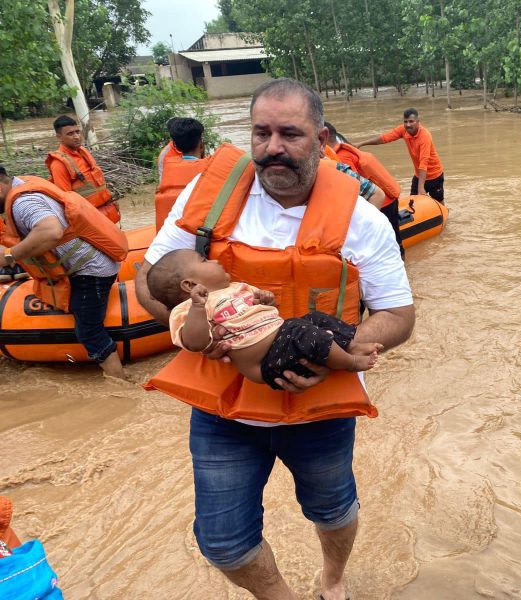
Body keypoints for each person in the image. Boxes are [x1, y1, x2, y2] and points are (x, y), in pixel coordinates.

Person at [134, 78, 414, 600]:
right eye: (261, 133)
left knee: (333, 511)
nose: (273, 148)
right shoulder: (207, 198)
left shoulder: (363, 220)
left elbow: (398, 313)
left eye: (291, 133)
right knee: (222, 543)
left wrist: (340, 355)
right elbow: (147, 278)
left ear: (323, 138)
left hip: (319, 402)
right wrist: (198, 330)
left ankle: (332, 579)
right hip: (224, 413)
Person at [148, 248, 382, 386]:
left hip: (280, 340)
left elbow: (268, 313)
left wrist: (267, 300)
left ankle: (350, 345)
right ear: (189, 285)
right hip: (261, 363)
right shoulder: (188, 308)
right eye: (204, 260)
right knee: (299, 329)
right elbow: (195, 342)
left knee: (317, 318)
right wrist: (198, 308)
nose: (214, 260)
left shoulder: (237, 288)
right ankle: (350, 364)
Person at [0, 165, 128, 380]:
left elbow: (51, 230)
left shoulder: (23, 202)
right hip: (89, 263)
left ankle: (121, 381)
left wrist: (10, 256)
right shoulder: (22, 183)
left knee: (88, 331)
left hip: (92, 270)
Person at [325, 122, 405, 258]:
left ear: (323, 138)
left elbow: (353, 188)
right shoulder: (346, 150)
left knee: (387, 244)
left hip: (381, 203)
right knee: (395, 241)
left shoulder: (342, 157)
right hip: (388, 198)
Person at [355, 107, 445, 203]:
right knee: (413, 203)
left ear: (418, 121)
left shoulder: (425, 136)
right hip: (419, 175)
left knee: (439, 202)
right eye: (405, 122)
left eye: (411, 121)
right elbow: (385, 138)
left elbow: (424, 162)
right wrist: (361, 143)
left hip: (434, 175)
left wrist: (421, 188)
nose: (408, 125)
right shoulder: (403, 130)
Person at [46, 115, 120, 224]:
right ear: (59, 137)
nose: (76, 136)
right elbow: (66, 200)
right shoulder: (58, 164)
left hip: (107, 212)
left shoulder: (83, 152)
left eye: (77, 132)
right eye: (70, 134)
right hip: (90, 220)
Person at [155, 118, 210, 231]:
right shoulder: (212, 168)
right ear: (201, 144)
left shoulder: (167, 163)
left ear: (174, 144)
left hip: (169, 238)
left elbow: (162, 185)